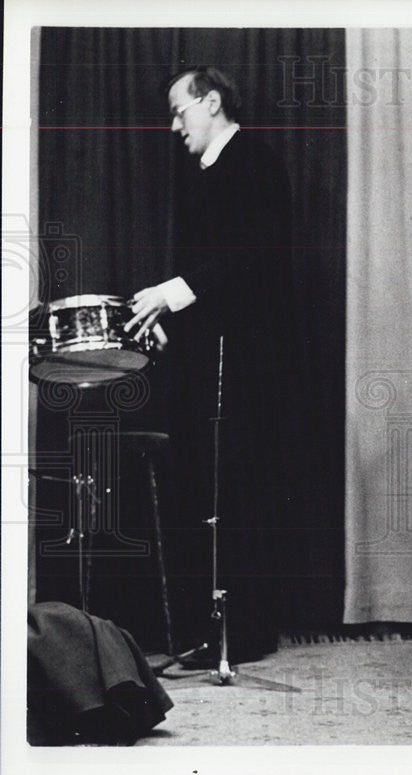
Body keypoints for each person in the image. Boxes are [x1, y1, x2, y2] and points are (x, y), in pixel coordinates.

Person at [125, 67, 294, 666]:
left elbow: (255, 259)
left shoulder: (253, 162)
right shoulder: (213, 171)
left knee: (236, 488)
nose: (175, 126)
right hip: (216, 355)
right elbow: (216, 274)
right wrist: (177, 322)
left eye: (180, 111)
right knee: (206, 486)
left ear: (212, 101)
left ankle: (240, 634)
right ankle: (214, 626)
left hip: (248, 364)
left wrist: (172, 294)